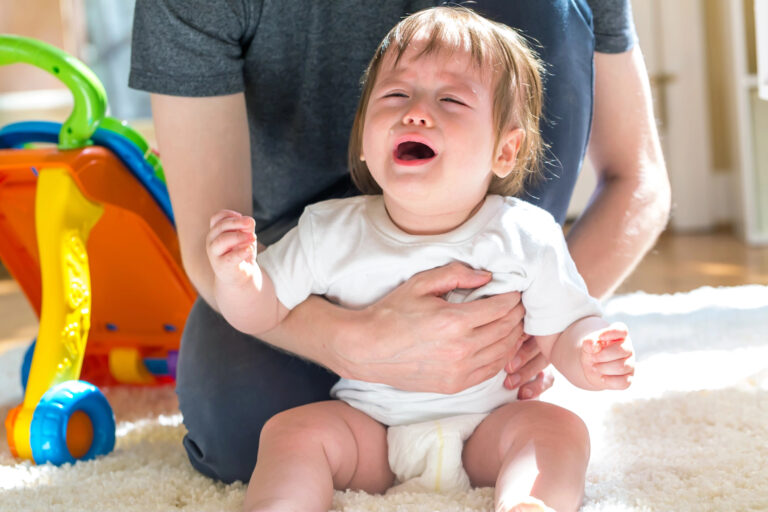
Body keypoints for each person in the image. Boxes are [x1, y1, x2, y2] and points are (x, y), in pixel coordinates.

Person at [129, 0, 669, 484]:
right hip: (368, 423)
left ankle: (530, 502)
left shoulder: (523, 233)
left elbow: (578, 305)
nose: (416, 111)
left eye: (451, 101)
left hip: (490, 417)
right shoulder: (326, 230)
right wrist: (243, 277)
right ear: (361, 140)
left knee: (555, 431)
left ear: (507, 153)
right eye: (395, 95)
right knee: (278, 435)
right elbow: (259, 302)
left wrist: (572, 347)